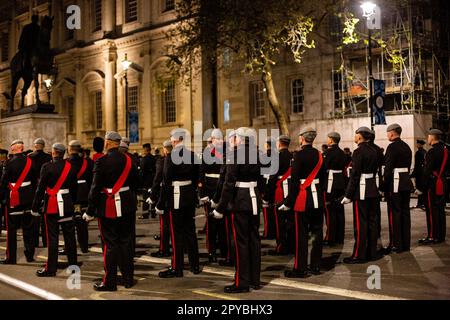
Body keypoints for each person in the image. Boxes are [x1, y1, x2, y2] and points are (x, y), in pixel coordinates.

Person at [85, 131, 139, 291]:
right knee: (126, 242)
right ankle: (128, 279)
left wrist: (90, 210)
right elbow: (137, 182)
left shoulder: (101, 161)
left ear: (108, 142)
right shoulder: (129, 160)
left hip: (108, 207)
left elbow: (95, 188)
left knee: (110, 244)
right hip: (127, 206)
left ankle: (110, 282)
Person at [212, 127, 263, 293]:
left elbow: (229, 183)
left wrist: (220, 207)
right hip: (254, 199)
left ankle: (242, 282)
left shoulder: (235, 154)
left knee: (240, 242)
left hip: (240, 200)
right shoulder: (258, 153)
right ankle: (255, 279)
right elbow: (263, 178)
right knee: (254, 240)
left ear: (240, 139)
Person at [279, 128, 326, 278]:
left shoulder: (299, 155)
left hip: (303, 198)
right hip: (317, 197)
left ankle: (300, 268)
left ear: (302, 139)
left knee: (302, 234)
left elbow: (294, 181)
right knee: (317, 232)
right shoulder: (319, 155)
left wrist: (288, 202)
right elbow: (323, 177)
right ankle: (316, 265)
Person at [157, 129, 200, 278]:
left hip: (176, 196)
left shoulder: (171, 156)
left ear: (174, 141)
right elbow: (196, 178)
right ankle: (195, 265)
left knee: (176, 234)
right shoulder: (192, 155)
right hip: (189, 195)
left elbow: (166, 181)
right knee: (190, 231)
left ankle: (177, 267)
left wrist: (161, 203)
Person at [32, 143, 78, 277]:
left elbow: (40, 189)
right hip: (67, 204)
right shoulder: (71, 167)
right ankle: (73, 266)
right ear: (63, 153)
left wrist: (35, 207)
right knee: (70, 237)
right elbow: (74, 188)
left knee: (52, 238)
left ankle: (51, 269)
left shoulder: (47, 167)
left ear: (53, 152)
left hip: (52, 205)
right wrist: (72, 202)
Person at [341, 127, 381, 264]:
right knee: (372, 222)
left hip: (362, 191)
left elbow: (355, 175)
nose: (354, 136)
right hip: (372, 189)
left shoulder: (358, 152)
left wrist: (348, 195)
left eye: (356, 134)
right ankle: (372, 252)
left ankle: (359, 254)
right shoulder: (374, 150)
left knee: (360, 224)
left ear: (359, 137)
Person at [0, 140, 38, 264]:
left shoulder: (9, 163)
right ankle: (30, 255)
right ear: (22, 148)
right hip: (28, 197)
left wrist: (3, 197)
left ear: (13, 149)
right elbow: (34, 180)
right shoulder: (31, 162)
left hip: (13, 198)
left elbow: (3, 182)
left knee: (11, 230)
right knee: (28, 228)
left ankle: (11, 257)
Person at [383, 124, 413, 253]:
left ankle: (396, 244)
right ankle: (405, 243)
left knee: (394, 213)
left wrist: (384, 185)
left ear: (392, 133)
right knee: (405, 213)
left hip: (395, 182)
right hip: (405, 182)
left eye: (388, 133)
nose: (387, 135)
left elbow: (388, 169)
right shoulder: (406, 147)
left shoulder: (391, 147)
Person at [199, 129, 226, 263]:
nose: (219, 141)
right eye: (216, 139)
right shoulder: (207, 153)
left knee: (223, 223)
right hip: (210, 191)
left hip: (223, 191)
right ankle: (212, 250)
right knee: (211, 224)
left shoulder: (227, 152)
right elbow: (201, 173)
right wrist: (202, 193)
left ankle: (224, 249)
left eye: (220, 139)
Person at [211, 130, 237, 267]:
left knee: (229, 231)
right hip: (247, 198)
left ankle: (230, 257)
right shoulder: (252, 154)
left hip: (231, 199)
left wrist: (217, 201)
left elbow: (225, 181)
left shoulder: (231, 155)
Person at [264, 135, 293, 255]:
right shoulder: (292, 156)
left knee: (279, 221)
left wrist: (266, 196)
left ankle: (281, 246)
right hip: (290, 189)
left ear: (280, 143)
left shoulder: (277, 157)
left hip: (279, 189)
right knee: (290, 219)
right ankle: (291, 245)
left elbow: (272, 178)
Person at [419, 129, 449, 244]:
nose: (428, 138)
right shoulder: (446, 151)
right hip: (443, 183)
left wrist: (422, 187)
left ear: (432, 137)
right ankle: (441, 235)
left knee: (432, 211)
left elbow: (427, 171)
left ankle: (432, 235)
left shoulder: (431, 152)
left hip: (433, 184)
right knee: (441, 210)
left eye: (428, 136)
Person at [148, 140, 172, 258]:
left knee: (164, 225)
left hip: (165, 196)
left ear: (165, 149)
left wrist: (152, 196)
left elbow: (157, 179)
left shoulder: (162, 161)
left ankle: (164, 249)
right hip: (178, 195)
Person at [68, 140, 93, 254]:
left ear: (70, 149)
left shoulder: (67, 162)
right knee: (82, 222)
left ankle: (71, 246)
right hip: (85, 193)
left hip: (73, 195)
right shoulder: (88, 162)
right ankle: (84, 246)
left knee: (71, 223)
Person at [323, 132, 347, 246]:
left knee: (330, 211)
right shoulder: (342, 153)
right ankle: (340, 236)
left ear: (332, 140)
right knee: (340, 211)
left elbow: (324, 167)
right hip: (340, 182)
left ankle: (330, 237)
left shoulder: (328, 152)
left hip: (330, 183)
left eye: (328, 138)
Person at [28, 138, 52, 248]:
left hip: (33, 188)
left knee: (34, 216)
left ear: (35, 146)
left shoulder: (30, 157)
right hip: (47, 188)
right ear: (43, 146)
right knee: (45, 216)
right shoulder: (48, 157)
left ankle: (35, 242)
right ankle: (46, 241)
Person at [139, 143, 156, 220]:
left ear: (145, 150)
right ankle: (153, 213)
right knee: (153, 196)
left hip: (146, 181)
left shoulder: (144, 159)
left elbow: (142, 171)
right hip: (153, 180)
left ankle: (145, 214)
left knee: (145, 198)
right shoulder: (154, 158)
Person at [411, 140, 427, 209]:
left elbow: (417, 165)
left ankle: (420, 203)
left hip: (419, 173)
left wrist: (413, 174)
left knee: (419, 188)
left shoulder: (418, 153)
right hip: (424, 172)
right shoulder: (425, 152)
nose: (416, 145)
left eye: (417, 144)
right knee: (423, 188)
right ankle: (423, 203)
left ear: (420, 144)